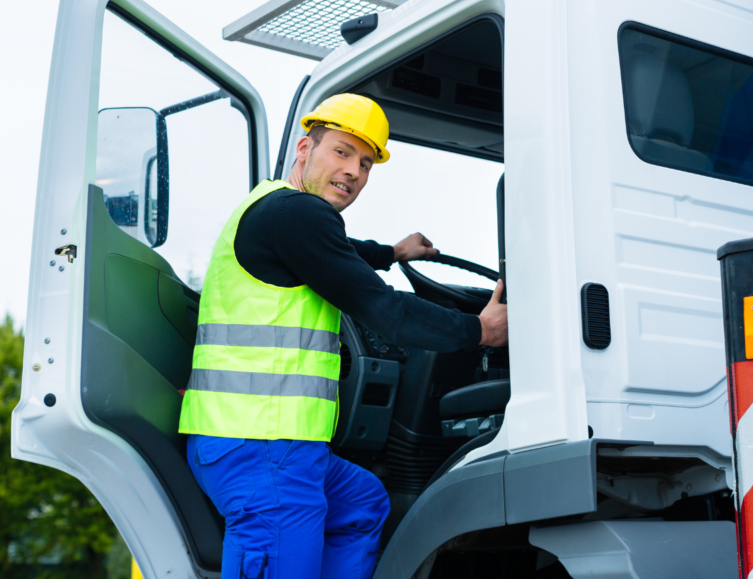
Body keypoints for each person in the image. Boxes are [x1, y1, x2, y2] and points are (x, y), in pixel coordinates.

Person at [178, 93, 507, 579]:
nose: (354, 171)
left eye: (367, 162)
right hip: (261, 448)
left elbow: (336, 251)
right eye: (342, 151)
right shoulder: (298, 215)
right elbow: (385, 312)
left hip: (251, 441)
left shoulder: (270, 207)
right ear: (305, 149)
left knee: (361, 503)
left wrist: (392, 253)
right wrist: (479, 329)